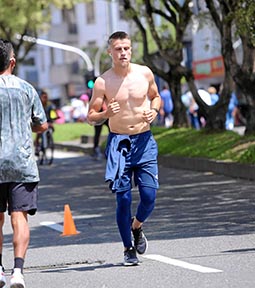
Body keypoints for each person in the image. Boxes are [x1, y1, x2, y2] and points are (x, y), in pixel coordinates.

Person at [88, 31, 161, 266]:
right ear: (110, 51)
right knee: (123, 199)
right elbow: (90, 117)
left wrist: (155, 110)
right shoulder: (103, 82)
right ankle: (128, 248)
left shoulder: (144, 73)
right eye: (118, 49)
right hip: (119, 144)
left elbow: (156, 96)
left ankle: (136, 226)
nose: (123, 53)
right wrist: (106, 114)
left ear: (131, 49)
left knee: (149, 196)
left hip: (144, 140)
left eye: (127, 48)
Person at [0, 39, 48, 287]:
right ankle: (17, 272)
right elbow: (42, 124)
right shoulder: (27, 88)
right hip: (21, 163)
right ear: (12, 62)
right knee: (19, 217)